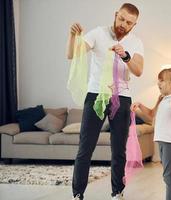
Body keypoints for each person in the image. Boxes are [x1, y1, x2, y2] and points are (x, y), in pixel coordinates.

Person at [66, 3, 144, 200]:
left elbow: (138, 70)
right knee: (85, 147)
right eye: (122, 19)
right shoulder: (98, 33)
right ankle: (77, 194)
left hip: (122, 98)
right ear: (116, 15)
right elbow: (72, 55)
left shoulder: (136, 42)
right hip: (95, 96)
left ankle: (117, 192)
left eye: (129, 23)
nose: (123, 24)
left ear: (134, 25)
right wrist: (73, 37)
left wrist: (125, 55)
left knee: (119, 149)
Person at [131, 68, 171, 200]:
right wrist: (140, 107)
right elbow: (152, 114)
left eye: (162, 80)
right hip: (163, 140)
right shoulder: (162, 98)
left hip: (170, 142)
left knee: (168, 175)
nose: (158, 82)